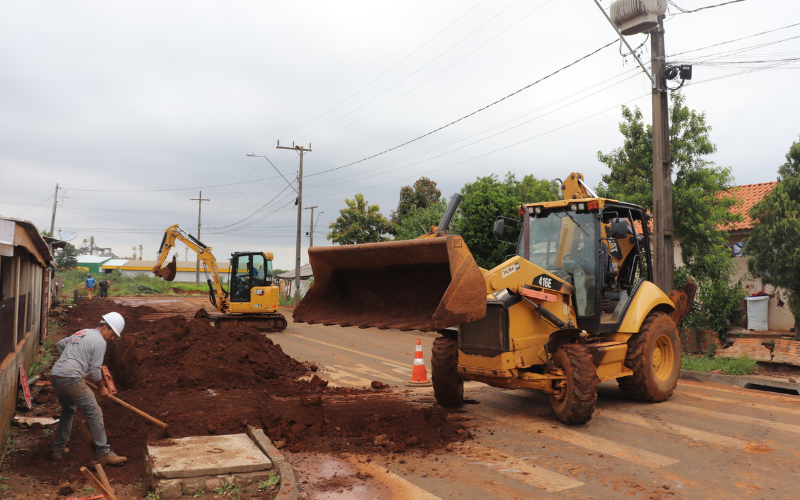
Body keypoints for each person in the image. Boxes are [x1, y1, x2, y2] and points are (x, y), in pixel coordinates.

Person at [50, 312, 127, 465]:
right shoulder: (100, 342)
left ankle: (58, 450)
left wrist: (68, 362)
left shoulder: (82, 332)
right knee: (94, 412)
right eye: (112, 334)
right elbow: (94, 370)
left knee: (68, 410)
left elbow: (60, 344)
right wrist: (102, 388)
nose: (112, 338)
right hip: (70, 378)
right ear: (105, 327)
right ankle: (104, 452)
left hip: (56, 375)